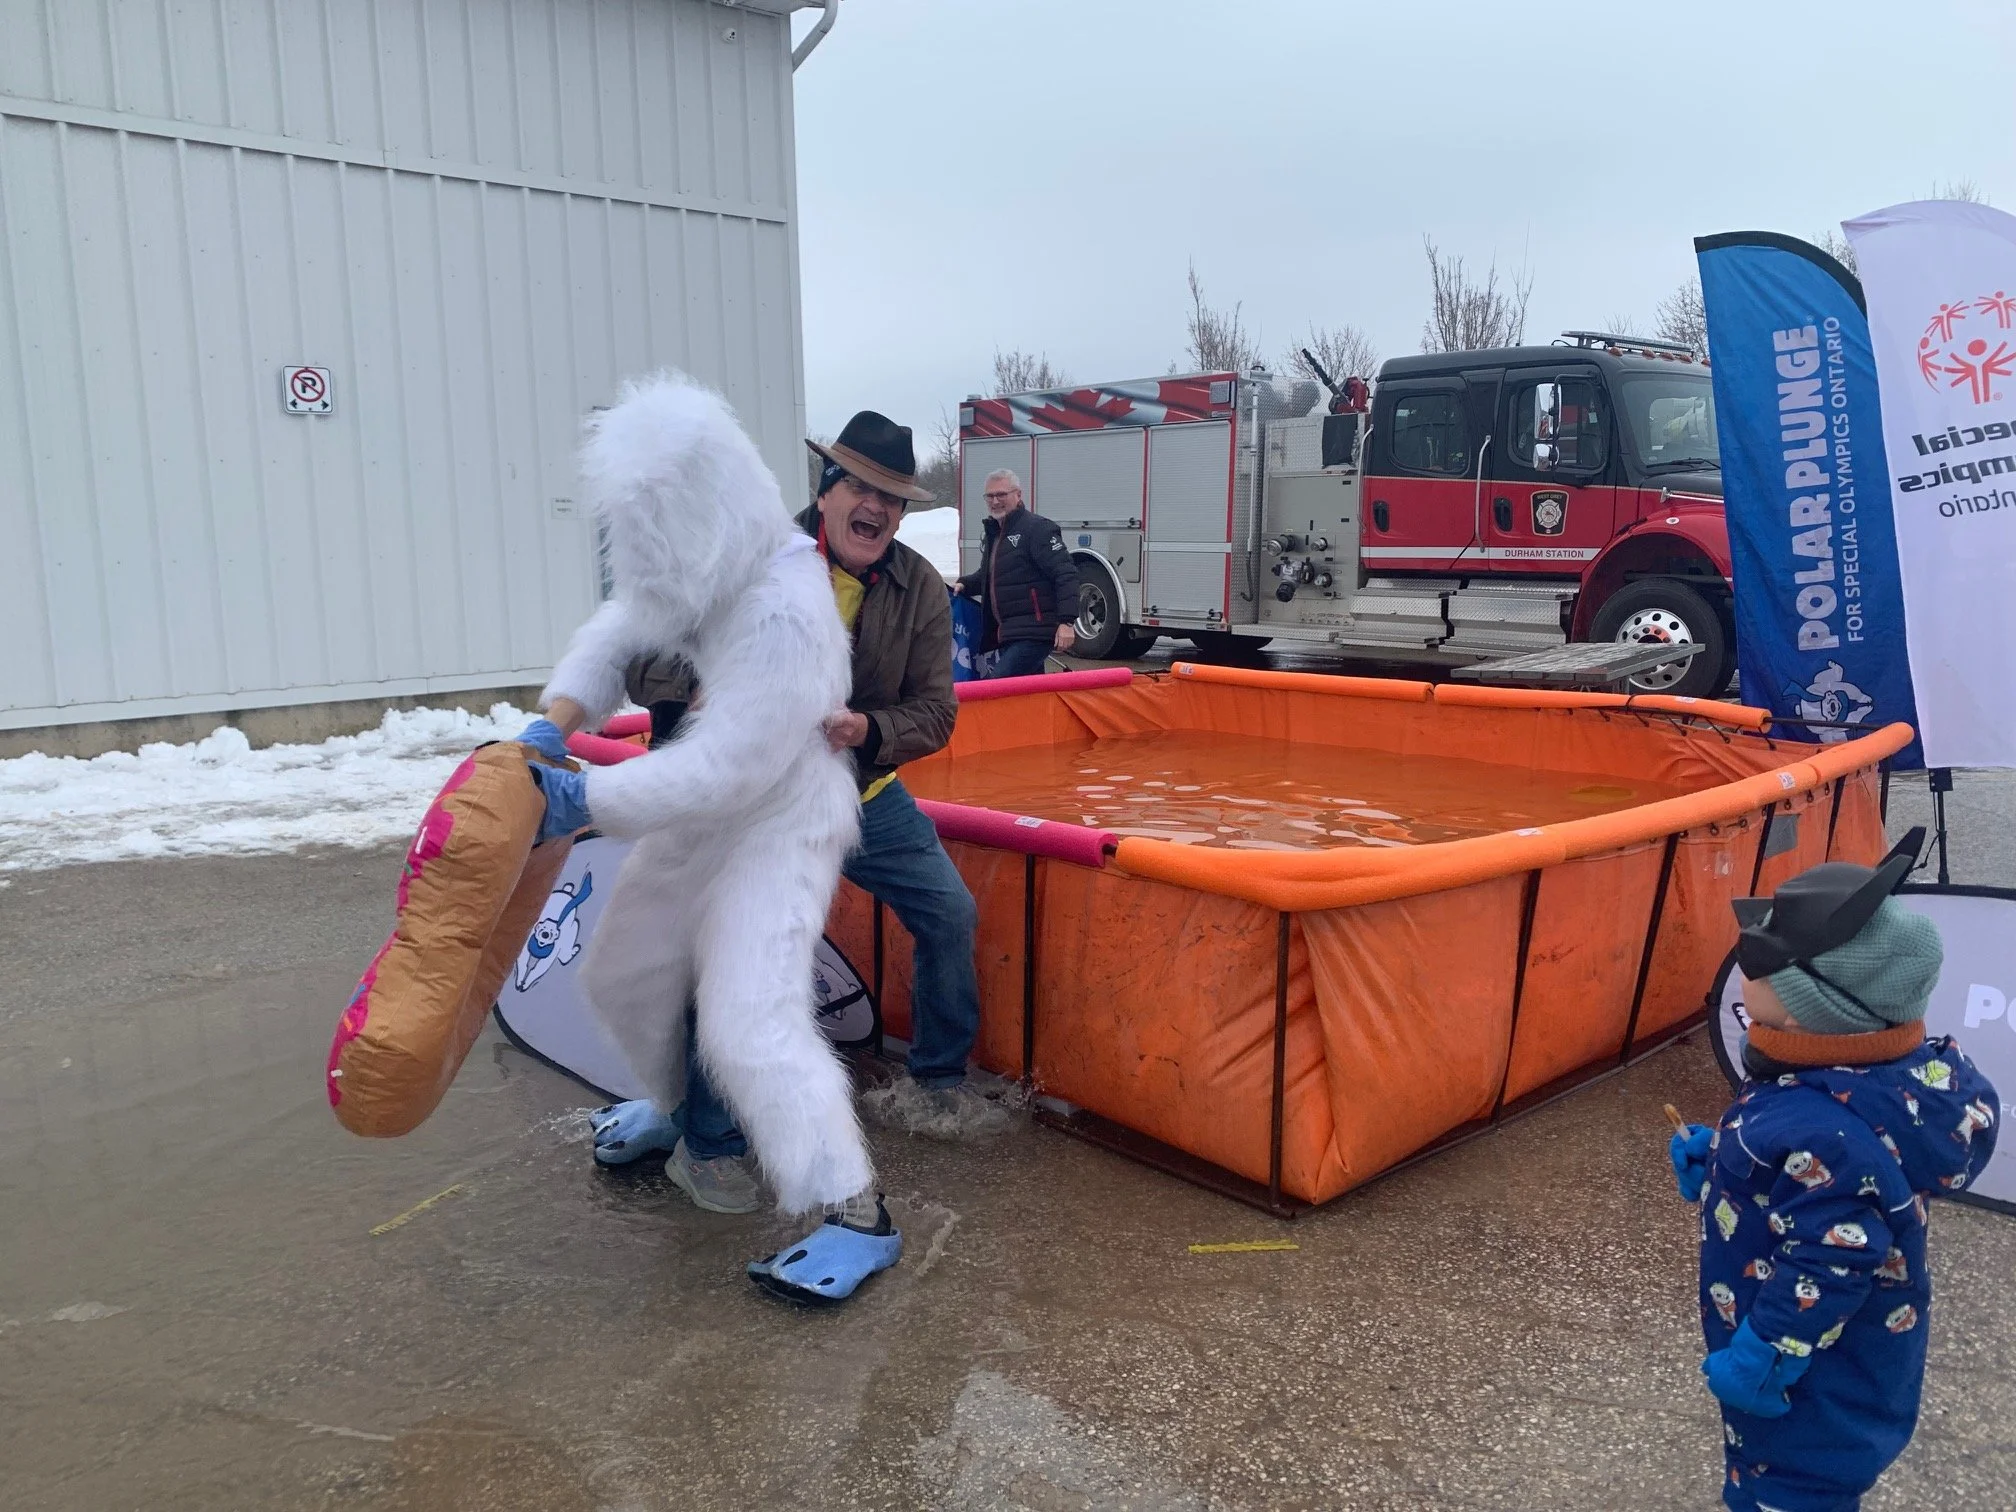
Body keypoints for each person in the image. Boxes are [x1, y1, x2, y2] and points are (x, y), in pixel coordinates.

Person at [522, 372, 893, 1304]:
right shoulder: (707, 568)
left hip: (782, 820)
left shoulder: (786, 607)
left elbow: (731, 763)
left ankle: (855, 1210)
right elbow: (620, 628)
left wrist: (582, 799)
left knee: (749, 1022)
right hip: (709, 810)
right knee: (624, 970)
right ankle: (676, 1107)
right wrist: (551, 721)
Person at [587, 407, 1009, 1218]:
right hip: (753, 806)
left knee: (951, 913)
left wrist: (871, 730)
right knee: (733, 964)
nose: (878, 508)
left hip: (862, 794)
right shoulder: (746, 560)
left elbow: (936, 710)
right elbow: (641, 663)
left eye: (893, 498)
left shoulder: (919, 588)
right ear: (826, 489)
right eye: (861, 486)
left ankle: (937, 1082)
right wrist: (696, 682)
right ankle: (706, 1143)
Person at [1668, 837, 1999, 1511]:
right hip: (1825, 1348)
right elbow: (1814, 1189)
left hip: (1812, 1371)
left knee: (1794, 1485)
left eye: (1755, 965)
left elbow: (1832, 1254)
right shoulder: (1850, 1087)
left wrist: (1765, 1355)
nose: (1739, 974)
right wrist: (1728, 1168)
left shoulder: (1828, 1127)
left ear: (1806, 1008)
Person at [956, 469, 1080, 679]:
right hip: (1009, 634)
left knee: (995, 690)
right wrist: (966, 584)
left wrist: (1067, 622)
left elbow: (1066, 574)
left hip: (1034, 633)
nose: (995, 501)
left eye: (1001, 495)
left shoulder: (1037, 529)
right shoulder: (995, 533)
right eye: (990, 496)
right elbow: (992, 576)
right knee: (1028, 699)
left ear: (1018, 495)